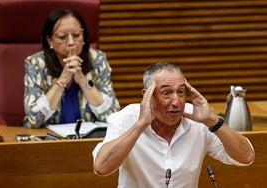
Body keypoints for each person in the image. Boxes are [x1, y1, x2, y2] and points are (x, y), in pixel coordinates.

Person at [92, 62, 255, 187]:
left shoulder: (198, 121)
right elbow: (101, 167)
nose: (176, 101)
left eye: (181, 92)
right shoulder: (125, 119)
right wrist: (140, 125)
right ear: (147, 96)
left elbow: (246, 158)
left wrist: (213, 121)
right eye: (166, 93)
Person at [23, 8, 120, 128]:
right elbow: (33, 120)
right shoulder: (36, 64)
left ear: (83, 37)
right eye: (62, 37)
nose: (71, 42)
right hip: (47, 141)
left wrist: (83, 81)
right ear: (50, 41)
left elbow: (113, 115)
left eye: (76, 35)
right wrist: (61, 81)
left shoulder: (97, 60)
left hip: (88, 141)